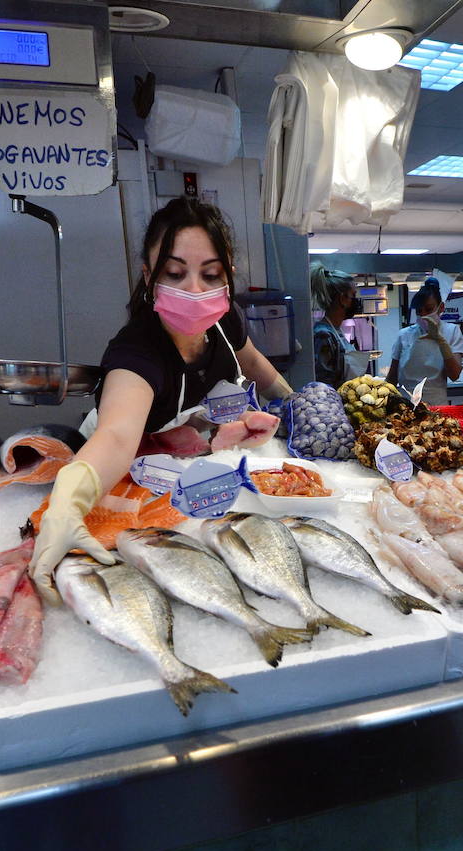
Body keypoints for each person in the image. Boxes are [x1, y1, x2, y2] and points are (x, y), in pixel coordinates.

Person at [29, 198, 292, 596]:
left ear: (228, 276)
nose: (194, 290)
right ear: (149, 275)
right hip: (118, 475)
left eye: (210, 274)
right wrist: (68, 505)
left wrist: (295, 404)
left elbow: (253, 362)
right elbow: (117, 435)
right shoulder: (137, 351)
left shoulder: (225, 320)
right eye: (175, 273)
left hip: (190, 467)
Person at [385, 279, 463, 403]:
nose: (423, 315)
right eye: (419, 311)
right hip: (406, 403)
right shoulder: (404, 335)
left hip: (437, 404)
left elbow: (454, 375)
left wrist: (441, 341)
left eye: (428, 310)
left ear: (441, 307)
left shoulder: (452, 331)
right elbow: (392, 378)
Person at [310, 263, 358, 387]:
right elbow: (323, 385)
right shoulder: (323, 334)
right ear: (342, 299)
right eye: (353, 295)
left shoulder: (336, 331)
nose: (356, 300)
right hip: (333, 403)